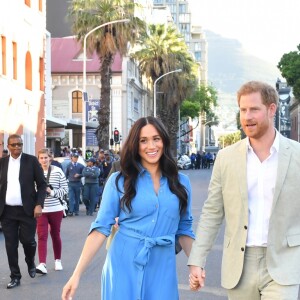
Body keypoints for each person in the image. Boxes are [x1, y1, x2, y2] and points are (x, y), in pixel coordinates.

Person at [62, 116, 195, 300]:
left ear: (163, 141)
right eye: (143, 140)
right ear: (135, 145)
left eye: (156, 139)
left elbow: (185, 228)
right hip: (122, 265)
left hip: (162, 267)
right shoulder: (118, 181)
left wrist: (195, 265)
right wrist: (76, 274)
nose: (151, 146)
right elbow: (101, 228)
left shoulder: (182, 183)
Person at [188, 81, 300, 299]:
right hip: (239, 265)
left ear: (271, 109)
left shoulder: (296, 155)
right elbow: (212, 212)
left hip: (283, 262)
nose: (247, 117)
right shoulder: (226, 158)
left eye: (254, 109)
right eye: (243, 110)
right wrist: (196, 260)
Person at [0, 134, 47, 289]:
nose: (17, 147)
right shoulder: (2, 163)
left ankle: (30, 261)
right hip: (7, 212)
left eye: (20, 144)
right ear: (8, 146)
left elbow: (41, 184)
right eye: (14, 145)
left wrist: (39, 204)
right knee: (10, 245)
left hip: (27, 211)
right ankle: (15, 276)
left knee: (28, 241)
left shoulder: (31, 161)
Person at [35, 148, 68, 275]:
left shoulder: (58, 171)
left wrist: (52, 192)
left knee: (55, 234)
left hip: (56, 208)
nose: (44, 160)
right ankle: (42, 264)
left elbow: (65, 189)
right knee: (42, 236)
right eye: (41, 158)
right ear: (38, 159)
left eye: (46, 157)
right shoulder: (35, 172)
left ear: (50, 158)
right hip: (41, 209)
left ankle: (57, 260)